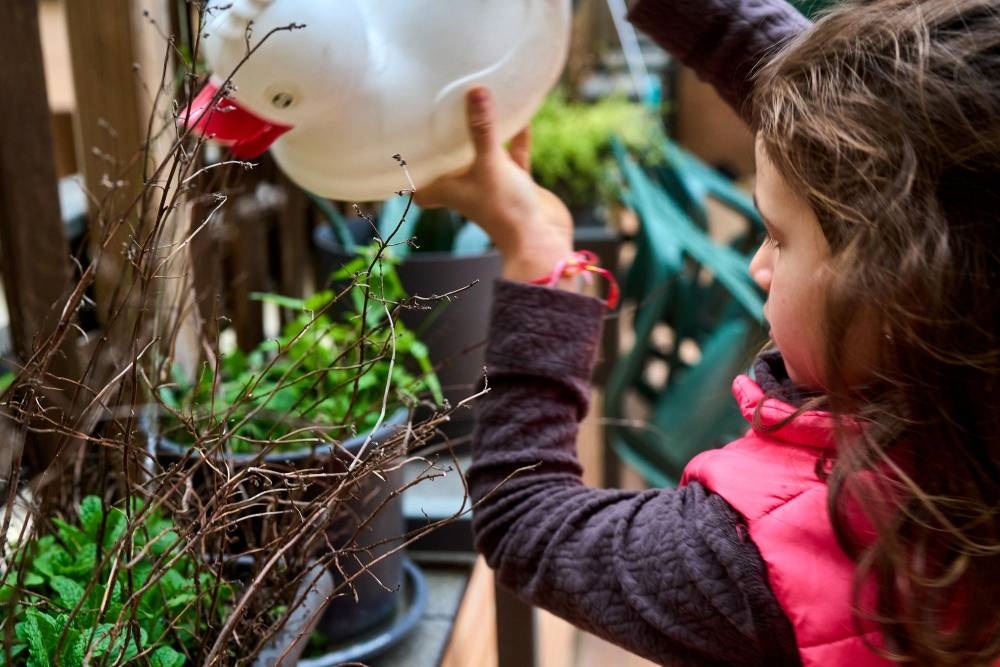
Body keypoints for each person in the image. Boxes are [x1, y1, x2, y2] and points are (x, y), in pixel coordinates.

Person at [415, 0, 1000, 665]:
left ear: (905, 285)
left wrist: (540, 258)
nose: (757, 265)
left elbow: (526, 521)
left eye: (778, 236)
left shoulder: (767, 561)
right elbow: (912, 142)